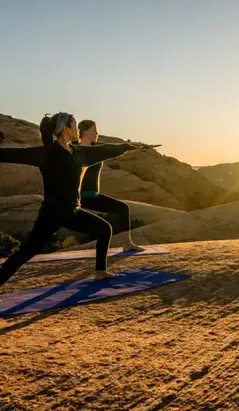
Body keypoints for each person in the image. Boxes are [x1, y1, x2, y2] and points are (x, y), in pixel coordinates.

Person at [0, 112, 141, 294]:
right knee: (27, 251)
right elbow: (11, 155)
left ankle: (100, 271)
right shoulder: (47, 153)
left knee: (104, 229)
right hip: (52, 213)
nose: (77, 128)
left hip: (72, 211)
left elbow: (103, 151)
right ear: (66, 129)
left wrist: (126, 147)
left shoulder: (78, 152)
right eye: (74, 125)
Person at [77, 119, 160, 252]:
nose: (97, 133)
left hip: (92, 196)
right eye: (94, 130)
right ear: (85, 132)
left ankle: (127, 243)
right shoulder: (73, 148)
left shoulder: (98, 148)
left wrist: (143, 147)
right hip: (78, 197)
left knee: (122, 209)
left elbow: (120, 147)